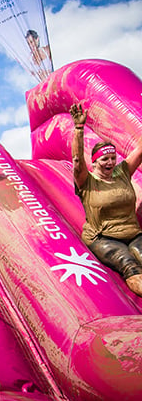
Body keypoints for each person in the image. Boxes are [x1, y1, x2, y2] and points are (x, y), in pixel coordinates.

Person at [71, 102, 142, 296]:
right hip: (103, 237)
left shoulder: (122, 173)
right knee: (127, 262)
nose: (110, 162)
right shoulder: (86, 181)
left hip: (133, 233)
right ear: (94, 162)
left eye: (112, 158)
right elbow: (77, 162)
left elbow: (141, 149)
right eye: (104, 159)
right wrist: (79, 128)